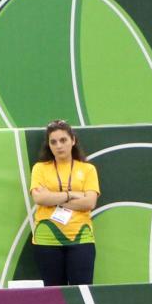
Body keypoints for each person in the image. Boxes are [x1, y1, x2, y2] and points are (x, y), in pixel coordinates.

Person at [28, 117, 99, 286]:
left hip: (81, 238)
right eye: (53, 142)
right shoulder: (40, 168)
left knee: (81, 292)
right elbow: (39, 198)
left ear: (73, 140)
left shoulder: (88, 169)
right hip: (46, 240)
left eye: (63, 140)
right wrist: (72, 195)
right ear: (49, 145)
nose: (58, 145)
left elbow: (89, 203)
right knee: (53, 296)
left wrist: (52, 198)